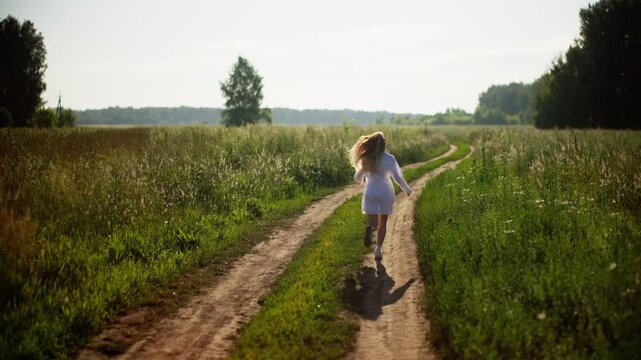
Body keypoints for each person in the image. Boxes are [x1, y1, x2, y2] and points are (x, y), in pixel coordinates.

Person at [350, 131, 412, 260]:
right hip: (385, 193)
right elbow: (398, 177)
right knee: (382, 224)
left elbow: (357, 178)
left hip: (371, 192)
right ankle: (378, 250)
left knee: (373, 222)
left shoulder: (366, 158)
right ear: (384, 145)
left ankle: (371, 229)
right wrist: (407, 189)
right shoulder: (390, 158)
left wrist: (361, 172)